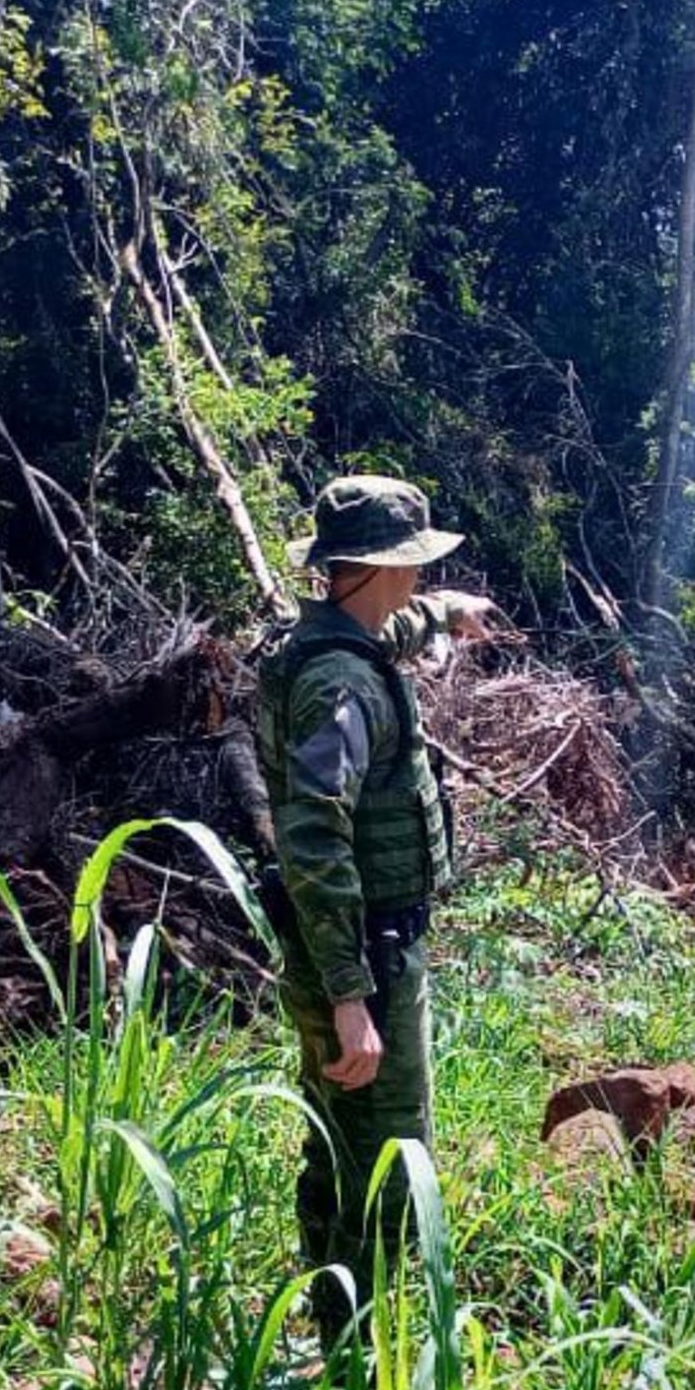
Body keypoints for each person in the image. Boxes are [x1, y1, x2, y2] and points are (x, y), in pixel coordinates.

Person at [254, 474, 495, 1339]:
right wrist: (352, 997)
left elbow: (396, 624)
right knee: (387, 1160)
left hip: (351, 952)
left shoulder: (330, 638)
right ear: (380, 567)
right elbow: (314, 835)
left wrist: (448, 612)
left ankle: (339, 1334)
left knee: (340, 1143)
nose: (421, 581)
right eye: (416, 570)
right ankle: (362, 1360)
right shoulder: (342, 688)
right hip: (365, 958)